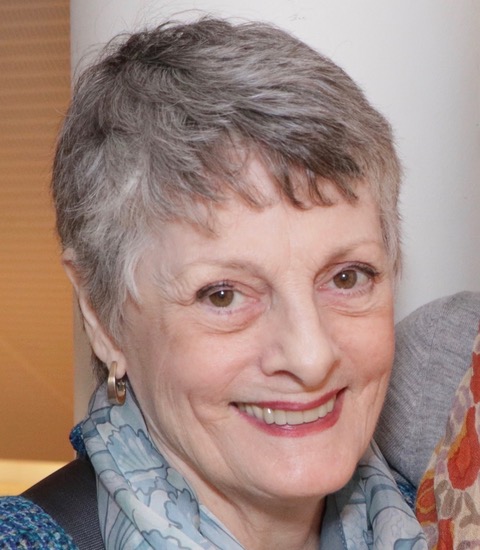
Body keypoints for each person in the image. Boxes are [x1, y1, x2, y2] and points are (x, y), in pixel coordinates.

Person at [0, 17, 426, 549]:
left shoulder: (445, 517)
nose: (311, 356)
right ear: (101, 316)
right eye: (223, 295)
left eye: (347, 277)